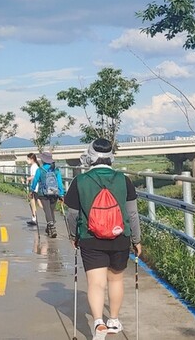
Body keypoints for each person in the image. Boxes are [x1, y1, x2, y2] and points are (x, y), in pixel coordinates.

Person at [63, 138, 142, 340]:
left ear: (90, 156)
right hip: (120, 237)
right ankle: (113, 320)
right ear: (110, 158)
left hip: (90, 238)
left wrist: (73, 236)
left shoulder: (80, 181)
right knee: (115, 279)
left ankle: (98, 323)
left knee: (96, 283)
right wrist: (136, 239)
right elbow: (132, 214)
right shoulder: (123, 180)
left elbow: (72, 214)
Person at [29, 151, 64, 238]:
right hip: (54, 193)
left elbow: (35, 181)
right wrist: (61, 194)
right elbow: (59, 183)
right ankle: (49, 228)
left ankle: (51, 228)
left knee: (47, 210)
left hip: (43, 194)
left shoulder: (40, 170)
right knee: (51, 210)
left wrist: (31, 190)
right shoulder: (56, 170)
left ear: (43, 160)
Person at [24, 153, 39, 226]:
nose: (27, 161)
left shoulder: (34, 166)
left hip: (35, 187)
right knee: (34, 202)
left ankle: (34, 218)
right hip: (36, 187)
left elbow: (34, 176)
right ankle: (34, 218)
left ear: (32, 159)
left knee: (33, 203)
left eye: (28, 159)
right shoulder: (35, 166)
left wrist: (27, 179)